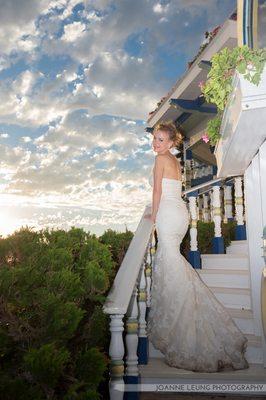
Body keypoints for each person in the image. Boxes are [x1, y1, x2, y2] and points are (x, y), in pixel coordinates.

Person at [144, 121, 249, 372]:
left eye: (160, 140)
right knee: (173, 265)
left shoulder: (160, 160)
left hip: (169, 213)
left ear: (171, 143)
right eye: (155, 139)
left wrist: (153, 216)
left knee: (170, 265)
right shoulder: (174, 161)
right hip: (180, 212)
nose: (155, 143)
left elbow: (157, 191)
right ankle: (185, 320)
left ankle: (184, 332)